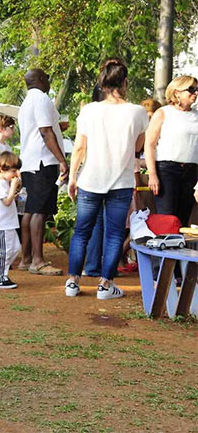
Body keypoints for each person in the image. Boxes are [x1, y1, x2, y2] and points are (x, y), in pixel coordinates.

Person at [65, 58, 148, 300]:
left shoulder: (89, 110)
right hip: (121, 182)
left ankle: (72, 281)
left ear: (102, 81)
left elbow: (80, 147)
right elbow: (138, 146)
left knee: (82, 232)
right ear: (125, 82)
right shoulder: (137, 112)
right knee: (114, 234)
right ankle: (105, 285)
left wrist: (72, 178)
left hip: (90, 179)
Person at [18, 69, 67, 276]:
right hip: (42, 162)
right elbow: (45, 131)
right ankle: (37, 260)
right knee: (39, 210)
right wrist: (62, 160)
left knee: (31, 209)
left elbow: (47, 129)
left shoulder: (27, 101)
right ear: (40, 80)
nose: (49, 81)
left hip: (29, 161)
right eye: (46, 77)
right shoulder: (41, 99)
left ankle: (26, 258)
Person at [144, 75, 198, 226]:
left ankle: (179, 248)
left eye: (196, 89)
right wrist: (152, 175)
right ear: (177, 93)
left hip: (191, 172)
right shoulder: (163, 113)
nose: (195, 93)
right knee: (167, 219)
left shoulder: (196, 116)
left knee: (183, 220)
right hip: (167, 171)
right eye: (191, 89)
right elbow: (149, 144)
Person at [0, 152, 22, 289]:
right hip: (1, 225)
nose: (15, 174)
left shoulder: (4, 183)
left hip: (9, 223)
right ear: (2, 169)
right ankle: (0, 277)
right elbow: (7, 202)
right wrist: (13, 188)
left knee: (15, 248)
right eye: (13, 171)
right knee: (3, 251)